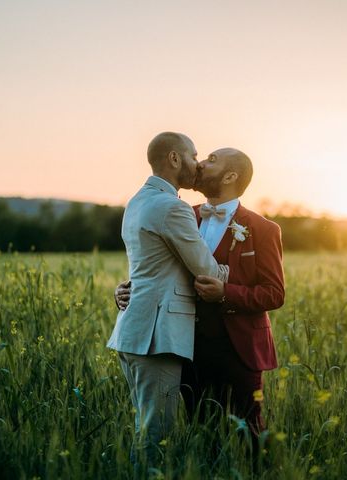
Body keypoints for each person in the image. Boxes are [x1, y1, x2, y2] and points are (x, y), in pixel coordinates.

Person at [115, 147, 285, 454]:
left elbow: (274, 293)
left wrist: (226, 294)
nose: (201, 164)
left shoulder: (263, 229)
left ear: (231, 176)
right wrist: (129, 288)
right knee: (201, 431)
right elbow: (159, 268)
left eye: (212, 160)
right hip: (185, 343)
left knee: (248, 433)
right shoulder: (180, 214)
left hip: (239, 349)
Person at [106, 132, 229, 468]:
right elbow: (206, 270)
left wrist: (125, 287)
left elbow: (148, 266)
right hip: (156, 338)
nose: (197, 163)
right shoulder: (171, 208)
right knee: (156, 436)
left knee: (145, 429)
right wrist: (231, 274)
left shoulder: (137, 201)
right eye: (193, 155)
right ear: (175, 159)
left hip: (134, 332)